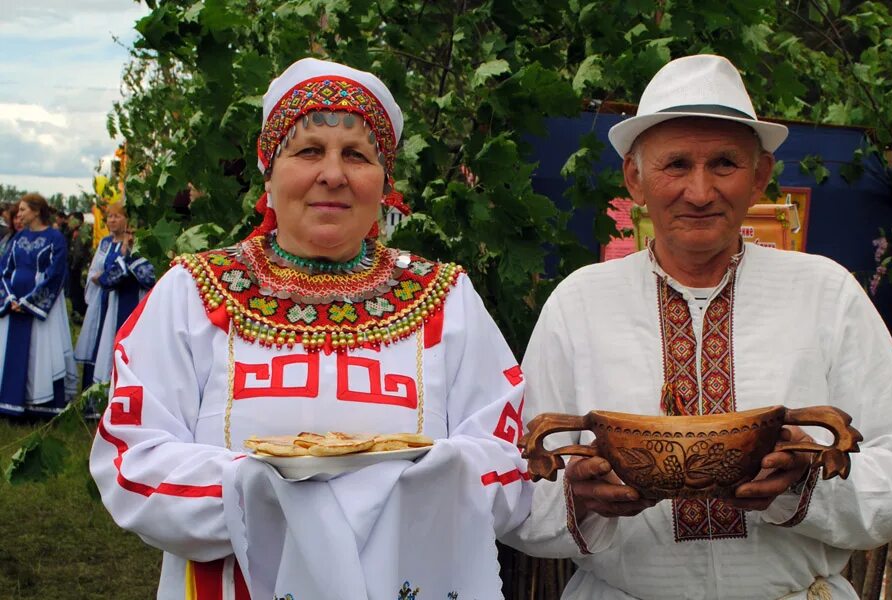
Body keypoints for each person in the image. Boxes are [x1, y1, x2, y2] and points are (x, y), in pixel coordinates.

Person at [90, 58, 531, 599]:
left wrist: (401, 496)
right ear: (268, 170)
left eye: (356, 155)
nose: (333, 174)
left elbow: (509, 464)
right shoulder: (191, 292)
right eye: (307, 151)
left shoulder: (446, 298)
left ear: (384, 182)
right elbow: (131, 461)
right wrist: (269, 493)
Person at [505, 55, 892, 599]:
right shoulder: (580, 302)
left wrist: (804, 487)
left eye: (725, 164)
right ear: (634, 179)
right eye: (676, 165)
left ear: (760, 176)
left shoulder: (825, 293)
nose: (701, 192)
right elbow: (520, 474)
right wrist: (580, 499)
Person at [0, 193, 76, 417]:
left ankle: (41, 405)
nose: (19, 214)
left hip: (41, 307)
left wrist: (29, 301)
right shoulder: (17, 238)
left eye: (23, 210)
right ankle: (11, 402)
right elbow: (5, 269)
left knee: (40, 353)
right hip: (14, 306)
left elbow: (55, 273)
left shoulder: (55, 238)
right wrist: (11, 298)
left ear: (36, 211)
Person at [75, 202, 156, 390]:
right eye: (109, 216)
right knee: (101, 345)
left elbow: (147, 276)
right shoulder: (105, 243)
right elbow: (96, 272)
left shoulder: (141, 244)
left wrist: (118, 266)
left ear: (128, 220)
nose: (111, 220)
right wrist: (105, 276)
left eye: (117, 216)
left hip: (130, 301)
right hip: (105, 302)